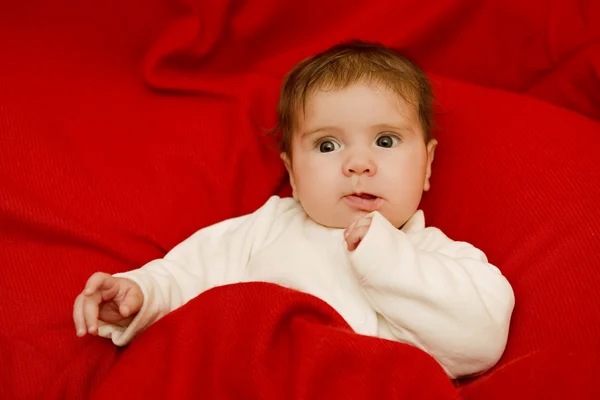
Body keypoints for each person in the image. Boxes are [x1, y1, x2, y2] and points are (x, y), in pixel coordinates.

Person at [72, 40, 515, 379]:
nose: (358, 164)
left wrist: (386, 259)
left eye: (385, 141)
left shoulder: (436, 256)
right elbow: (184, 275)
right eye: (327, 145)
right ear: (294, 174)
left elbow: (479, 339)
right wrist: (138, 296)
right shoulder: (263, 229)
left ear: (426, 167)